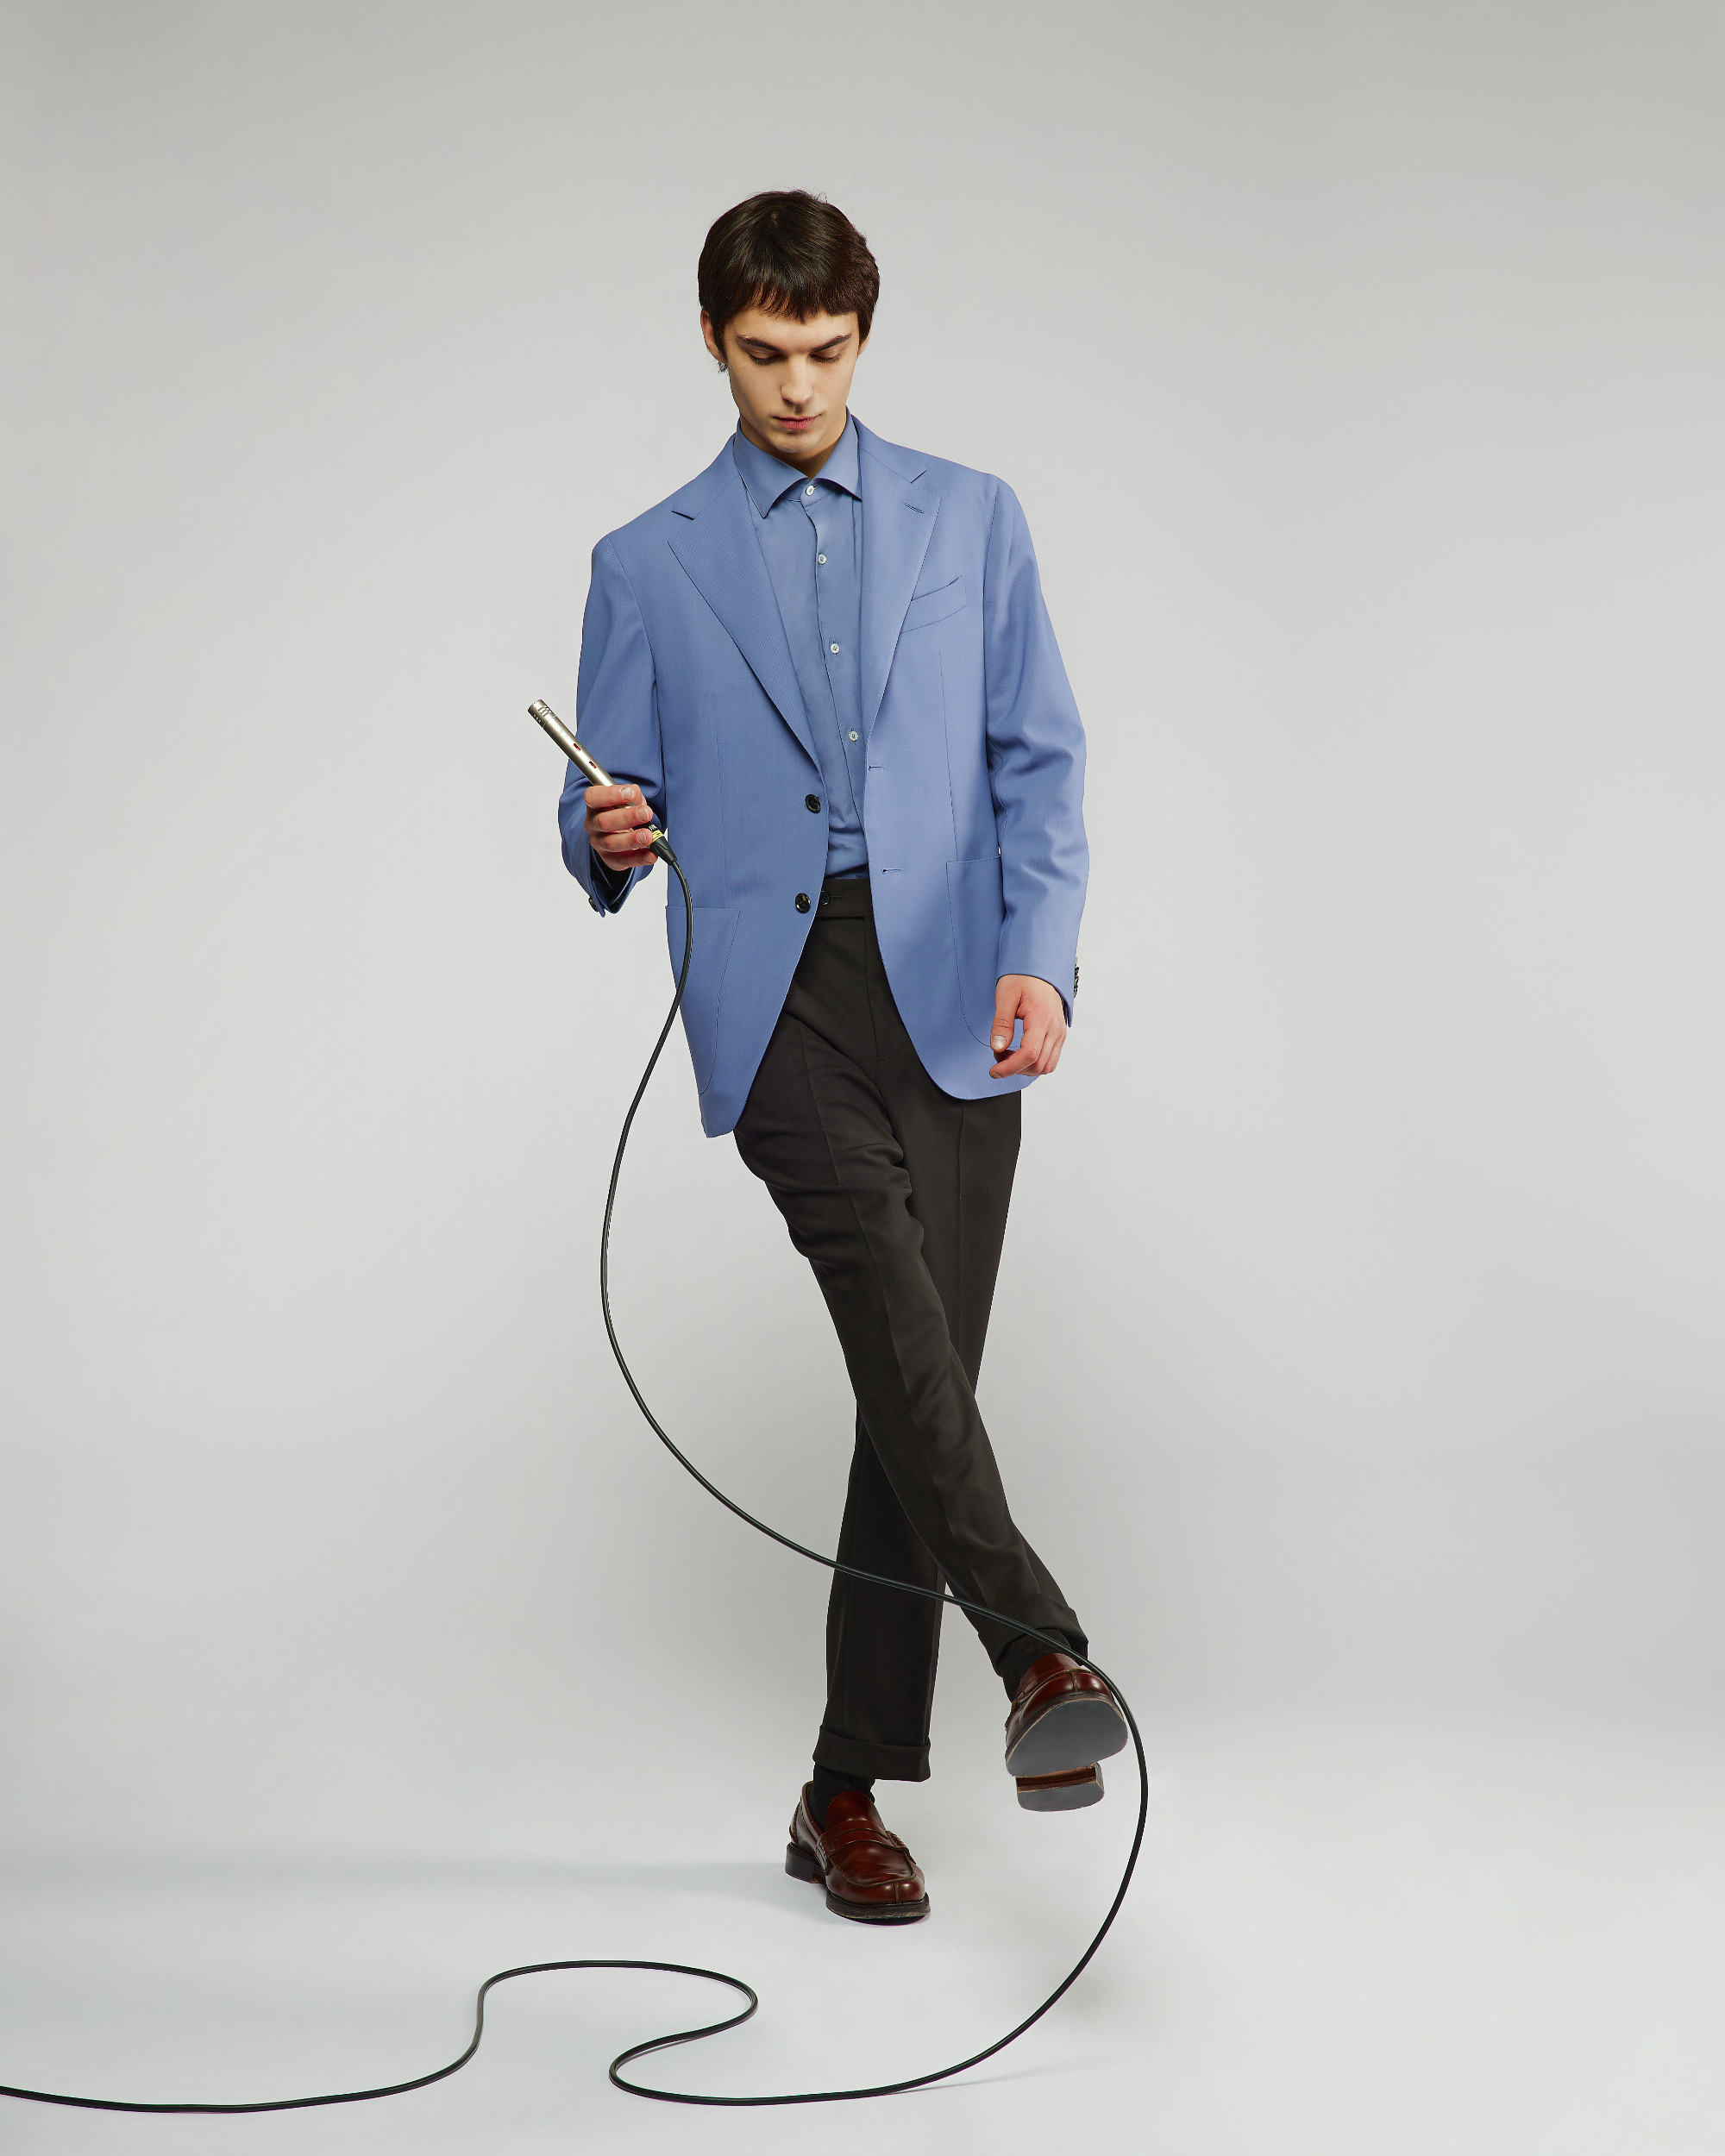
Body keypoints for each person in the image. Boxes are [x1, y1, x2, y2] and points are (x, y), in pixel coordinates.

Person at [558, 190, 1124, 1925]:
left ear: (862, 337)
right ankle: (1040, 1654)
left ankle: (840, 1791)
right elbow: (600, 799)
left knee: (911, 1383)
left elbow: (1038, 755)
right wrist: (605, 830)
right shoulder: (644, 561)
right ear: (712, 342)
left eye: (825, 350)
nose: (797, 386)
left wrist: (1039, 955)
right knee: (895, 1316)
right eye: (763, 353)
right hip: (778, 991)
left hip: (955, 987)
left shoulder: (973, 516)